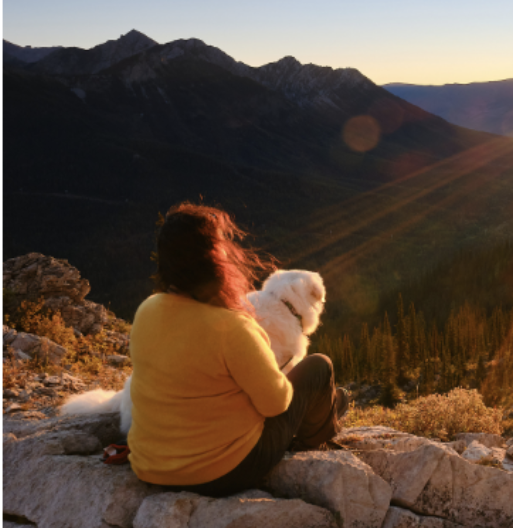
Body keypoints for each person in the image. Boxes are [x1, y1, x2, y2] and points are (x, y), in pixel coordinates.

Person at [128, 202, 348, 496]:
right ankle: (321, 429)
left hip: (151, 467)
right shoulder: (232, 327)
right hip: (221, 472)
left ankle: (333, 407)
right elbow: (276, 403)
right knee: (320, 366)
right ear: (214, 260)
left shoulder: (147, 310)